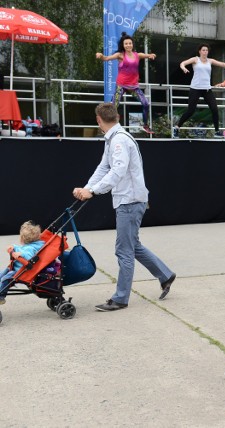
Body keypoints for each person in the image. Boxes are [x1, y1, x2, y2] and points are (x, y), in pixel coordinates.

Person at [72, 103, 176, 311]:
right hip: (130, 199)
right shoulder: (115, 138)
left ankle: (121, 298)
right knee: (132, 246)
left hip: (129, 201)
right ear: (117, 116)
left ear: (98, 120)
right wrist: (87, 188)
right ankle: (165, 275)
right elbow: (104, 167)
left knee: (124, 251)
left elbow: (117, 171)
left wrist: (93, 191)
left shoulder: (118, 140)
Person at [96, 32, 156, 134]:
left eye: (130, 43)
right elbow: (106, 58)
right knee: (113, 107)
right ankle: (104, 127)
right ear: (123, 45)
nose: (128, 45)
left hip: (133, 87)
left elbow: (148, 55)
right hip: (121, 86)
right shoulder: (120, 55)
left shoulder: (138, 55)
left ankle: (145, 125)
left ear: (132, 44)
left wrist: (151, 55)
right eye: (126, 44)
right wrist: (101, 55)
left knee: (146, 104)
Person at [174, 44, 225, 138]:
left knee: (214, 109)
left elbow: (222, 64)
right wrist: (183, 68)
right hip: (195, 88)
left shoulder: (210, 61)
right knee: (191, 110)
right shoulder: (195, 59)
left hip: (207, 89)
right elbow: (183, 63)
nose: (205, 52)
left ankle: (217, 131)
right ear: (200, 51)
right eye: (203, 50)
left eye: (206, 50)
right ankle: (177, 128)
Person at [0, 221, 44, 303]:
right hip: (17, 267)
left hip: (22, 271)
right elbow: (22, 248)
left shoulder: (30, 249)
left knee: (6, 278)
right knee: (2, 273)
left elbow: (29, 256)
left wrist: (21, 254)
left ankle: (1, 296)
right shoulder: (32, 245)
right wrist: (13, 246)